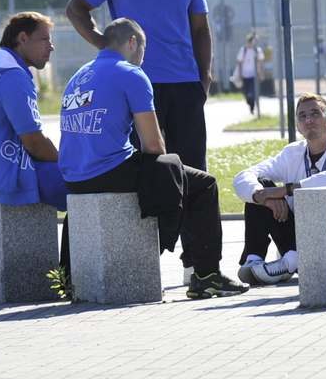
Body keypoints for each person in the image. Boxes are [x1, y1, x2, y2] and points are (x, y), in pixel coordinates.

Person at [57, 18, 248, 301]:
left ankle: (66, 277)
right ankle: (207, 276)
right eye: (143, 52)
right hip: (109, 171)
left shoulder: (79, 75)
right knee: (201, 182)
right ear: (132, 43)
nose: (143, 59)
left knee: (168, 172)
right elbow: (153, 144)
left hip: (74, 179)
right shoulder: (131, 74)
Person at [231, 92, 326, 285]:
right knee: (260, 187)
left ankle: (290, 262)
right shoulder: (292, 153)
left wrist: (286, 190)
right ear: (298, 126)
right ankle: (254, 258)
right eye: (302, 116)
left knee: (296, 194)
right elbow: (242, 177)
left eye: (315, 113)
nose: (308, 120)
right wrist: (266, 198)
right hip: (296, 232)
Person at [0, 11, 68, 216]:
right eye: (44, 39)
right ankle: (86, 249)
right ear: (22, 38)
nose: (51, 46)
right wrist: (65, 162)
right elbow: (35, 144)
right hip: (9, 177)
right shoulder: (13, 77)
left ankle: (76, 247)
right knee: (87, 185)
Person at [233, 32, 261, 116]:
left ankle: (252, 107)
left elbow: (260, 62)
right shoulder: (243, 50)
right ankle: (250, 103)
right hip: (245, 75)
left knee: (252, 92)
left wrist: (260, 73)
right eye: (252, 41)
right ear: (249, 41)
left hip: (253, 75)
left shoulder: (257, 50)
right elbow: (239, 62)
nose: (253, 43)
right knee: (246, 93)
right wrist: (240, 74)